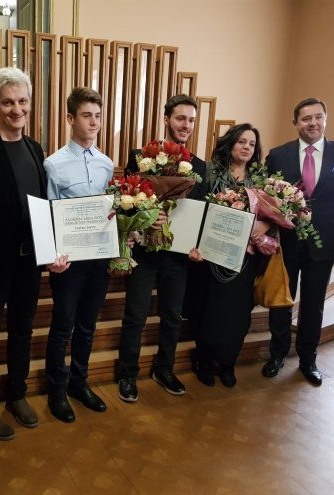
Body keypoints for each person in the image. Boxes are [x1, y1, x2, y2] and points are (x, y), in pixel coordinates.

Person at [0, 67, 67, 441]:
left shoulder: (35, 148)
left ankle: (17, 395)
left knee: (22, 331)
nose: (16, 109)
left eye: (22, 101)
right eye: (7, 102)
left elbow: (42, 208)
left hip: (29, 261)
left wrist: (51, 251)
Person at [263, 98, 334, 386]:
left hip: (323, 243)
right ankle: (277, 354)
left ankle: (308, 358)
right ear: (295, 123)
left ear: (325, 119)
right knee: (281, 301)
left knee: (313, 304)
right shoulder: (278, 155)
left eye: (318, 117)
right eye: (306, 118)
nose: (313, 123)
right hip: (285, 243)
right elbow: (265, 198)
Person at [117, 94, 207, 403]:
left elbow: (199, 210)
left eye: (191, 120)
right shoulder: (142, 156)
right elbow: (127, 199)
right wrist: (146, 218)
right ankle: (127, 373)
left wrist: (196, 244)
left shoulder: (199, 166)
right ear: (166, 119)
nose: (186, 125)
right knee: (135, 316)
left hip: (178, 254)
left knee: (171, 317)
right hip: (144, 252)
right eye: (180, 118)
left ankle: (164, 369)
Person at [43, 87, 114, 423]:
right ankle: (56, 390)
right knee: (63, 327)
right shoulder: (53, 164)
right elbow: (48, 214)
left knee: (87, 326)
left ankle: (79, 383)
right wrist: (52, 255)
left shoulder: (106, 164)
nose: (94, 122)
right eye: (87, 115)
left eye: (98, 116)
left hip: (99, 258)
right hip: (68, 262)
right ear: (71, 118)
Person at [191, 123, 269, 388]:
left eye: (251, 144)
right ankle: (203, 360)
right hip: (210, 255)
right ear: (231, 143)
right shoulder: (209, 171)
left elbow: (272, 215)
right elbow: (197, 209)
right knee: (209, 310)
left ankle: (227, 363)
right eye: (241, 142)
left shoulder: (260, 179)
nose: (246, 147)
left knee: (238, 314)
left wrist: (264, 226)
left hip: (245, 259)